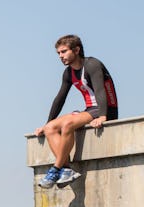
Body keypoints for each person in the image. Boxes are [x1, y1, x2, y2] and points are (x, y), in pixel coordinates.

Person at [35, 34, 118, 188]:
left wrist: (103, 116)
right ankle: (66, 169)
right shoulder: (68, 73)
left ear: (76, 49)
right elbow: (60, 98)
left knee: (67, 124)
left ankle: (56, 168)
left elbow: (101, 91)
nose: (61, 56)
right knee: (50, 128)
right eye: (58, 53)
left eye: (64, 51)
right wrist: (47, 122)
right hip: (90, 109)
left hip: (103, 108)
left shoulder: (92, 64)